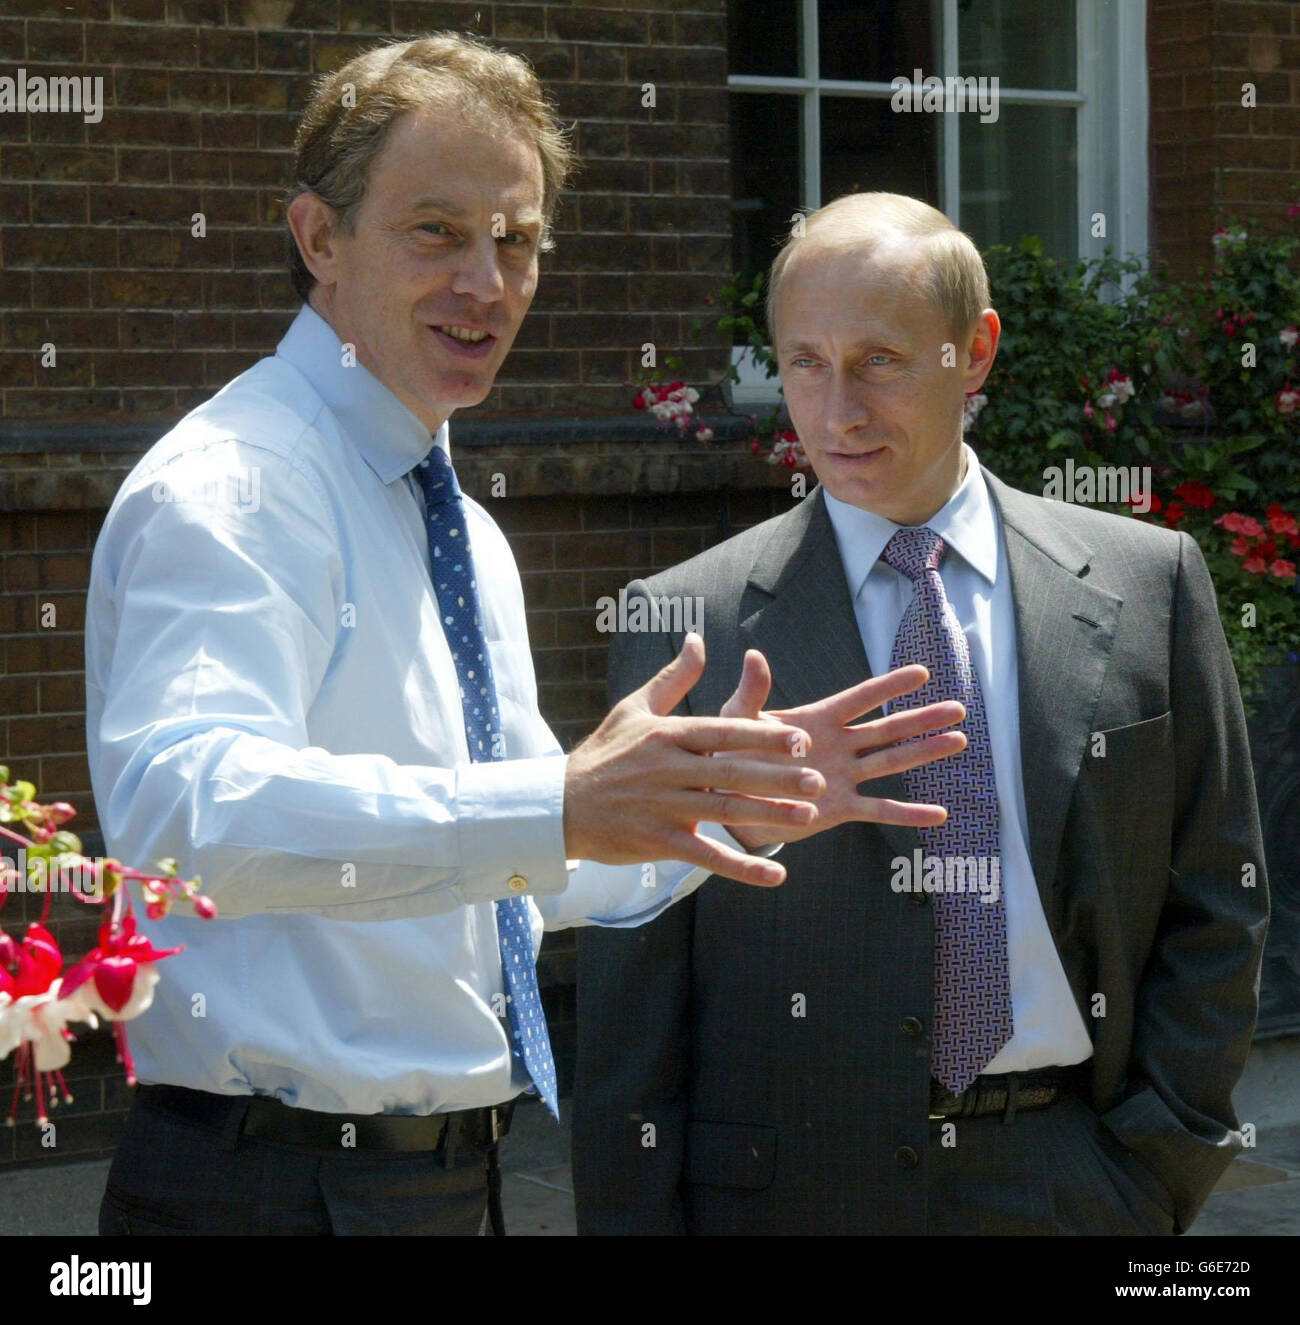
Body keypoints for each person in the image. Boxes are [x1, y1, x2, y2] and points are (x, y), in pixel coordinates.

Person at [84, 42, 964, 1237]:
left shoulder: (461, 526)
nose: (486, 284)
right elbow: (185, 812)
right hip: (271, 1186)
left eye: (516, 238)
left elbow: (512, 871)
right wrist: (555, 800)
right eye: (435, 232)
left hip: (439, 1180)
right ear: (319, 239)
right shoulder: (237, 485)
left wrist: (706, 807)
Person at [573, 191, 1270, 1236]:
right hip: (783, 1195)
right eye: (803, 362)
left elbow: (1216, 897)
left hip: (1070, 1180)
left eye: (879, 361)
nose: (837, 411)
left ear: (973, 351)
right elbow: (630, 982)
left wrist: (1158, 1161)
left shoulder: (1146, 583)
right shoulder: (689, 627)